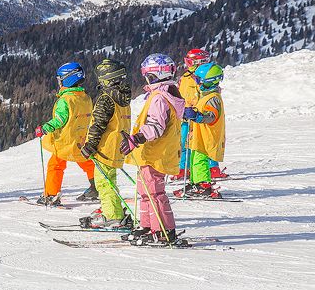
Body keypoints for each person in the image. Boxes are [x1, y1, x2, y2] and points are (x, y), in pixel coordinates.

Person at [120, 53, 185, 245]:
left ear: (154, 75)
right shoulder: (166, 93)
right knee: (145, 192)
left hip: (155, 153)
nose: (145, 78)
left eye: (147, 74)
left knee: (155, 193)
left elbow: (156, 126)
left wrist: (137, 138)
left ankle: (164, 231)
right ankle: (148, 226)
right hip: (152, 154)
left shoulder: (159, 98)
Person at [77, 59, 133, 229]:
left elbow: (98, 124)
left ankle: (112, 216)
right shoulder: (123, 97)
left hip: (105, 147)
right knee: (110, 179)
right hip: (119, 145)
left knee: (103, 182)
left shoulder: (106, 99)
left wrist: (90, 145)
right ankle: (113, 209)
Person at [34, 62, 95, 206]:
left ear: (68, 79)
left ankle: (51, 194)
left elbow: (60, 120)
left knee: (55, 165)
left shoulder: (65, 100)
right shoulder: (85, 98)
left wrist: (44, 128)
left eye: (60, 79)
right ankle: (96, 187)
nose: (59, 82)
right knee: (87, 162)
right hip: (81, 140)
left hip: (65, 140)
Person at [177, 62, 226, 199]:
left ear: (209, 81)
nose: (197, 83)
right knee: (194, 159)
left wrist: (197, 116)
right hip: (198, 136)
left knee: (200, 160)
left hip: (206, 136)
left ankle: (203, 184)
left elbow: (211, 116)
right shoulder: (205, 95)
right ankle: (195, 182)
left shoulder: (213, 98)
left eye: (198, 80)